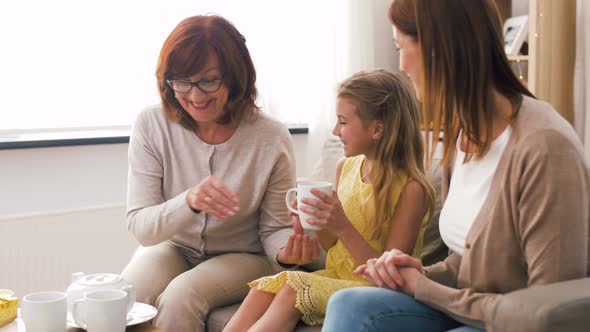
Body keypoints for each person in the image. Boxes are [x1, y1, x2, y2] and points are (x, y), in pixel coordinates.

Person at [323, 0, 590, 331]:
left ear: (440, 49)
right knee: (349, 304)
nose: (401, 66)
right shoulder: (461, 137)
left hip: (516, 324)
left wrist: (425, 288)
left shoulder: (545, 147)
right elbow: (467, 263)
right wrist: (419, 273)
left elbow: (550, 312)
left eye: (401, 47)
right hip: (470, 307)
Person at [120, 15, 319, 331]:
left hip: (244, 255)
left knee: (180, 296)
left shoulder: (271, 137)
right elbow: (142, 227)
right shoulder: (151, 124)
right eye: (182, 82)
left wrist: (287, 253)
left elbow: (273, 229)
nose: (195, 96)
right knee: (125, 296)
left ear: (236, 78)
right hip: (174, 246)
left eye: (209, 81)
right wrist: (190, 201)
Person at [224, 69, 436, 332]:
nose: (335, 130)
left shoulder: (411, 189)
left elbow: (390, 277)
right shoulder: (345, 168)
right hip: (337, 275)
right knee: (264, 288)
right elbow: (333, 245)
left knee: (293, 290)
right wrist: (316, 221)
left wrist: (342, 225)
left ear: (377, 129)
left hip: (376, 289)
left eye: (343, 122)